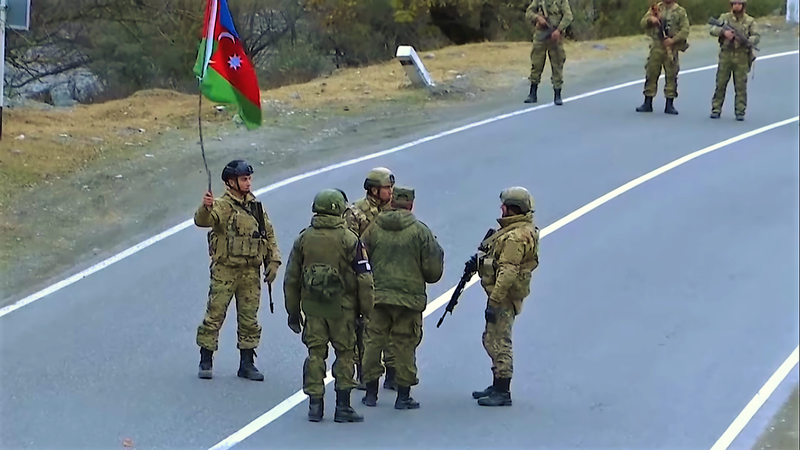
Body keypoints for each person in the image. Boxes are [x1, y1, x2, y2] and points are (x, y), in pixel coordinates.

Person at [283, 189, 375, 423]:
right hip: (342, 309)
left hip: (314, 309)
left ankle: (315, 404)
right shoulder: (350, 239)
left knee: (315, 354)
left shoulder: (304, 238)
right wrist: (367, 311)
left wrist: (293, 312)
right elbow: (364, 278)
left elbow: (292, 278)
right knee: (345, 354)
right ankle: (342, 406)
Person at [194, 159, 281, 381]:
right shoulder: (222, 206)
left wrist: (273, 261)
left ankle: (247, 362)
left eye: (249, 178)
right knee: (215, 315)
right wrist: (205, 207)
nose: (248, 183)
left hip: (250, 272)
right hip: (226, 270)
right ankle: (206, 358)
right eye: (244, 179)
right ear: (231, 182)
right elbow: (204, 221)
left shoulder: (256, 207)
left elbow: (268, 235)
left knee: (249, 319)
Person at [360, 187, 445, 410]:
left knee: (373, 342)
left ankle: (370, 392)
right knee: (405, 344)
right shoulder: (420, 231)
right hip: (409, 300)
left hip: (377, 297)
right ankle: (403, 395)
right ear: (411, 205)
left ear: (392, 202)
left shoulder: (373, 228)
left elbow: (360, 258)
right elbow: (433, 272)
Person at [471, 187, 539, 407]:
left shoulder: (515, 237)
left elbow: (508, 270)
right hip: (505, 294)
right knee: (491, 338)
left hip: (504, 296)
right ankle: (497, 383)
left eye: (505, 206)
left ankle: (503, 390)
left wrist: (494, 300)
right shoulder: (518, 230)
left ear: (513, 209)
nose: (501, 209)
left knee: (499, 340)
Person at [343, 167, 398, 391]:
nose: (391, 192)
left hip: (389, 278)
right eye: (387, 188)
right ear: (374, 190)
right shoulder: (355, 213)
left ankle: (393, 372)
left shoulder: (395, 212)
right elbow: (349, 246)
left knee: (393, 327)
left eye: (392, 187)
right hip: (365, 277)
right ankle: (365, 373)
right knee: (364, 328)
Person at [635, 0, 690, 115]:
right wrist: (651, 20)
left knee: (671, 74)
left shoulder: (680, 11)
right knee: (651, 72)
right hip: (657, 46)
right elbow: (642, 23)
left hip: (671, 47)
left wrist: (673, 40)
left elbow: (685, 30)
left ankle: (669, 104)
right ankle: (648, 102)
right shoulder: (656, 9)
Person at [709, 0, 760, 121]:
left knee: (741, 85)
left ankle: (740, 111)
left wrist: (748, 40)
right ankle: (716, 109)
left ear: (743, 5)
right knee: (720, 83)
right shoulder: (725, 18)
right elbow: (712, 29)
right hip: (726, 55)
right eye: (734, 3)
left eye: (739, 3)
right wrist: (724, 32)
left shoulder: (749, 21)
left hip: (741, 56)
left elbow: (756, 36)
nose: (737, 6)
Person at [523, 0, 573, 105]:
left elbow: (568, 16)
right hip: (540, 36)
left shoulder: (562, 1)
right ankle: (533, 93)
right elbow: (529, 12)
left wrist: (559, 30)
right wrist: (538, 18)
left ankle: (557, 94)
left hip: (555, 36)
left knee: (557, 65)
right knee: (536, 64)